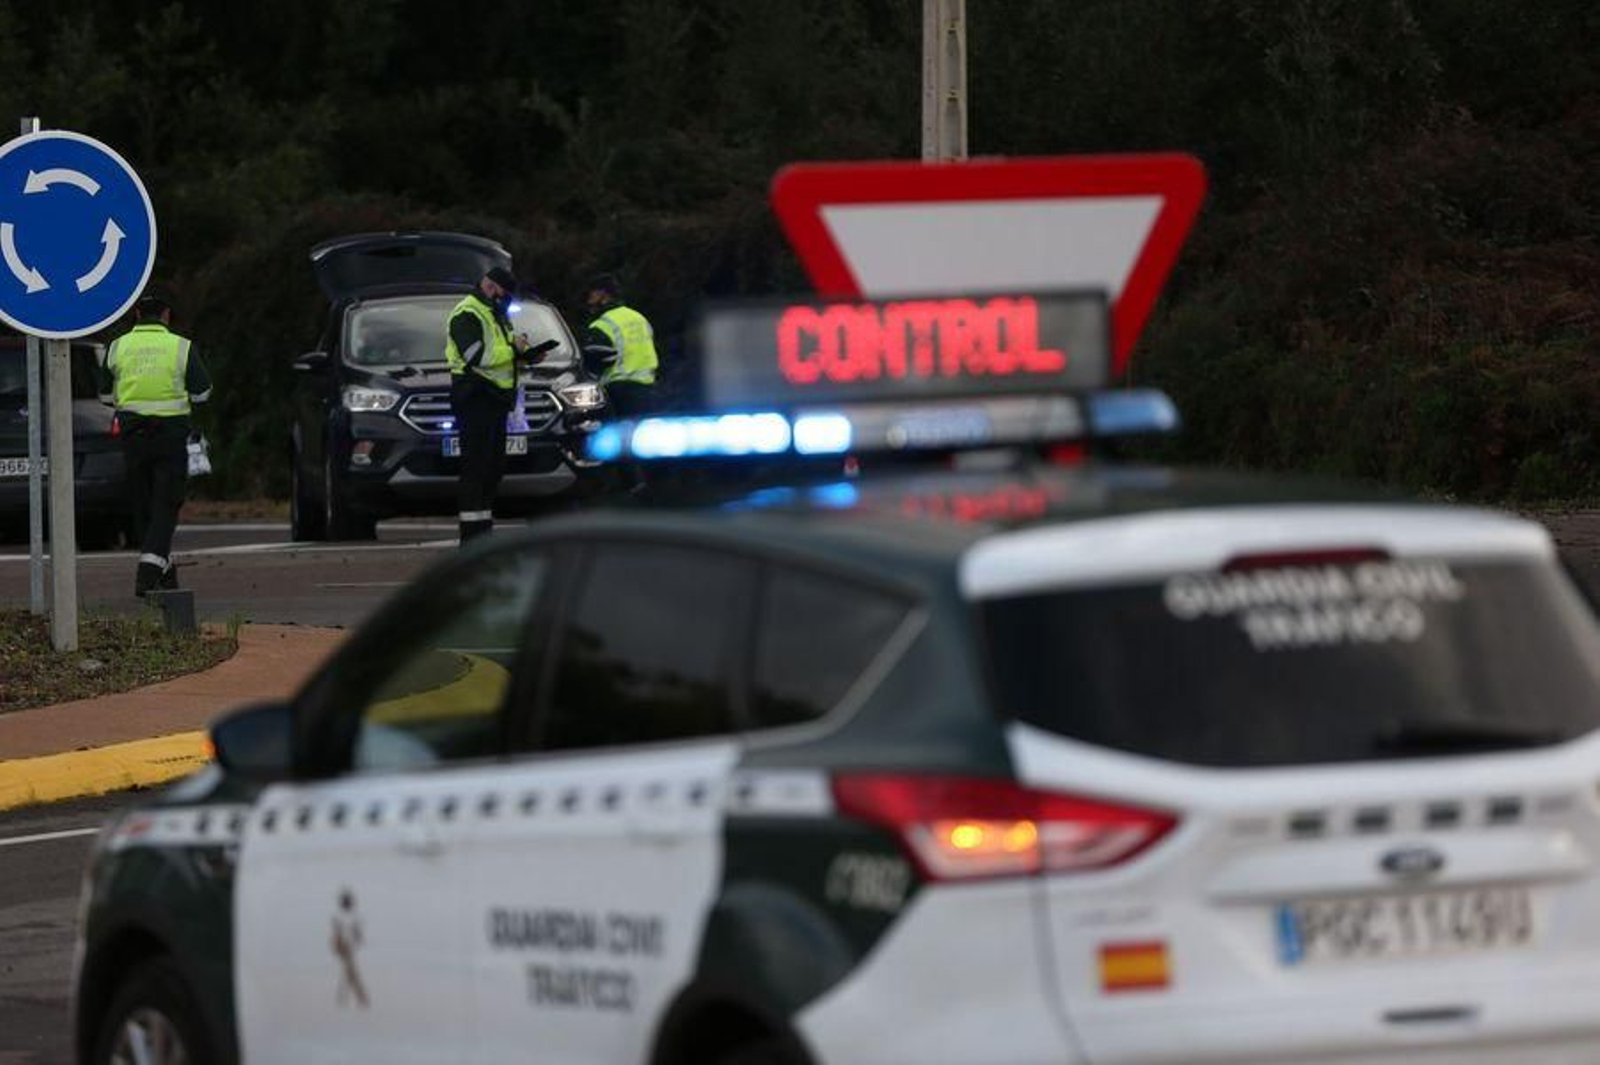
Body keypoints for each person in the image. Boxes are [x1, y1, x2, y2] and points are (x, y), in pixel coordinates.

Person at [99, 293, 212, 597]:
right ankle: (148, 573)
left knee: (144, 503)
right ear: (166, 316)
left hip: (132, 435)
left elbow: (105, 397)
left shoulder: (117, 346)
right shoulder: (181, 346)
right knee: (167, 503)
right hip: (171, 435)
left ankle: (165, 572)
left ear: (136, 314)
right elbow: (203, 393)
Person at [445, 265, 537, 541]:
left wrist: (527, 354)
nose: (506, 299)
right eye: (504, 293)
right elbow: (476, 355)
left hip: (495, 400)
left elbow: (503, 351)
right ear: (491, 286)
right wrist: (513, 349)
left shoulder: (494, 314)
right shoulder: (467, 313)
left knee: (492, 469)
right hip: (475, 397)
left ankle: (483, 531)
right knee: (476, 469)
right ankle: (472, 537)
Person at [582, 273, 658, 417]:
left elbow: (594, 363)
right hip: (648, 389)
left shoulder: (602, 325)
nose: (588, 299)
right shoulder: (639, 317)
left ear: (603, 294)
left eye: (592, 293)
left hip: (619, 392)